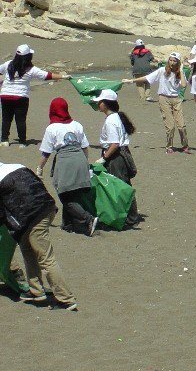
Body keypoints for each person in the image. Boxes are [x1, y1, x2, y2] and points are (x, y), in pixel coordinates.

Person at [0, 161, 77, 310]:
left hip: (32, 216)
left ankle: (66, 299)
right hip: (46, 208)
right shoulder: (17, 166)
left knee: (46, 258)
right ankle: (36, 290)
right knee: (26, 247)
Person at [37, 97, 98, 236]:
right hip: (80, 158)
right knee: (74, 192)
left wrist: (39, 169)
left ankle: (88, 219)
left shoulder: (52, 128)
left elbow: (46, 152)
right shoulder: (77, 125)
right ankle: (68, 224)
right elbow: (85, 147)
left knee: (65, 195)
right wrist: (85, 163)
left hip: (65, 161)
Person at [0, 44, 71, 147]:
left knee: (6, 118)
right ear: (28, 56)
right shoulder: (31, 69)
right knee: (20, 120)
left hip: (5, 95)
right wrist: (63, 76)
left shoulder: (8, 64)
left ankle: (4, 140)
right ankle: (22, 142)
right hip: (21, 97)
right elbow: (47, 76)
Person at [91, 90, 141, 227]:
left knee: (121, 187)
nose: (99, 104)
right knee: (122, 185)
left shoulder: (111, 121)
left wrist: (103, 158)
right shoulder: (115, 118)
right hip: (120, 154)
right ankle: (128, 216)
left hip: (116, 156)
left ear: (106, 104)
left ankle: (130, 218)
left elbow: (114, 144)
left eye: (100, 102)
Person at [124, 52, 190, 154]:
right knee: (170, 126)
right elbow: (147, 78)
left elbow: (184, 85)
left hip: (176, 99)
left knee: (181, 126)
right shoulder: (162, 70)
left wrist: (181, 71)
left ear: (178, 62)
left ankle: (185, 145)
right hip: (164, 99)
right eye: (170, 60)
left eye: (174, 61)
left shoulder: (179, 73)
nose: (172, 63)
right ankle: (169, 146)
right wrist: (131, 80)